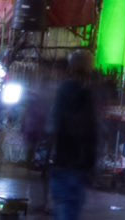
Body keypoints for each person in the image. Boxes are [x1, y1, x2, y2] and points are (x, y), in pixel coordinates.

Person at [48, 61, 100, 220]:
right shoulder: (86, 96)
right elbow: (91, 132)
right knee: (70, 207)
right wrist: (91, 163)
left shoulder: (61, 93)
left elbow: (53, 125)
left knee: (61, 205)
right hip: (78, 162)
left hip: (61, 159)